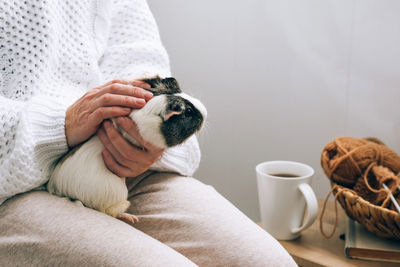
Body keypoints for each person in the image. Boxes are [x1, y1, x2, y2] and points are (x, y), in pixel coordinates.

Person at [0, 0, 296, 266]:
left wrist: (144, 130)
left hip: (112, 158)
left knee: (267, 262)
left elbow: (136, 53)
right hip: (11, 183)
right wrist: (58, 126)